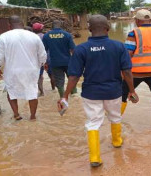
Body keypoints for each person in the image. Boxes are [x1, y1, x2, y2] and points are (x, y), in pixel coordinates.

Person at [58, 15, 138, 167]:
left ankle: (95, 157)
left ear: (89, 29)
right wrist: (132, 91)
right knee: (115, 117)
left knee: (93, 123)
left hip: (91, 93)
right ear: (108, 29)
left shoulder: (81, 48)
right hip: (113, 91)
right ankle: (117, 142)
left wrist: (65, 96)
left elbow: (74, 76)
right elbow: (127, 72)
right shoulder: (119, 46)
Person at [0, 16, 47, 120]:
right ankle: (32, 116)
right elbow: (42, 54)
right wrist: (42, 64)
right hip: (31, 70)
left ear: (9, 26)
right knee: (32, 92)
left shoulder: (3, 37)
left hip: (12, 70)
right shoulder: (34, 36)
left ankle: (16, 114)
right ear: (22, 24)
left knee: (11, 91)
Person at [43, 20, 76, 98]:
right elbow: (73, 50)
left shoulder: (46, 36)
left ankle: (63, 97)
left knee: (59, 81)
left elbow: (44, 51)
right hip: (68, 62)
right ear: (61, 25)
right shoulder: (67, 35)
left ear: (52, 26)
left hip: (55, 62)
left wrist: (45, 62)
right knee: (71, 78)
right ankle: (74, 95)